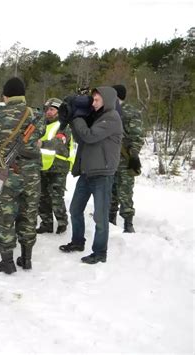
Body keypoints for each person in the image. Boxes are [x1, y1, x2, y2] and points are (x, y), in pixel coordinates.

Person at [0, 77, 45, 274]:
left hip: (6, 174)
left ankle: (7, 262)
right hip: (32, 176)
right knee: (29, 215)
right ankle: (27, 259)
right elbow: (39, 134)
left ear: (5, 95)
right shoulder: (36, 115)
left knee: (5, 217)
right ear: (23, 95)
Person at [59, 87, 123, 264]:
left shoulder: (111, 118)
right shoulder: (96, 117)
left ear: (107, 100)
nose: (92, 103)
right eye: (92, 99)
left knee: (100, 217)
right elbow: (81, 138)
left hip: (102, 174)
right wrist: (72, 120)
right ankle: (78, 241)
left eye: (96, 100)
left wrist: (77, 117)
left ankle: (100, 252)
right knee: (75, 209)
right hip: (87, 173)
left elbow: (89, 136)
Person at [36, 97, 74, 235]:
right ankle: (46, 223)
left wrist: (42, 144)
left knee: (56, 196)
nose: (48, 112)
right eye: (47, 109)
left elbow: (58, 142)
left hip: (59, 166)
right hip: (42, 165)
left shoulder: (64, 126)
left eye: (52, 109)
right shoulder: (42, 125)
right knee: (42, 197)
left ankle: (62, 222)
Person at [110, 84, 144, 233]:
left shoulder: (131, 112)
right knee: (110, 191)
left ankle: (128, 223)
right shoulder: (107, 111)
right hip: (109, 158)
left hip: (125, 160)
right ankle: (110, 220)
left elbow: (137, 136)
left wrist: (134, 155)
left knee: (125, 191)